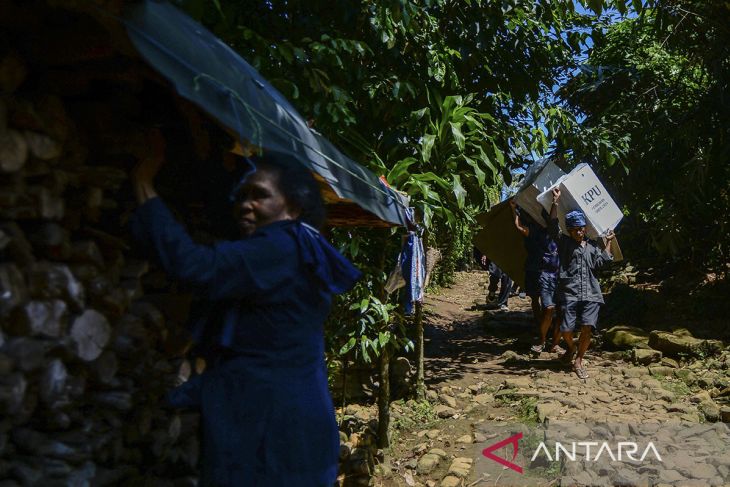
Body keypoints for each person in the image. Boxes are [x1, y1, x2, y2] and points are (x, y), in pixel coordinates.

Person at [130, 131, 361, 486]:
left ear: (293, 207)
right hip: (297, 419)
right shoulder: (304, 247)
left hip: (270, 427)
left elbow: (195, 267)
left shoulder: (278, 247)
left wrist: (144, 184)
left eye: (260, 195)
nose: (245, 204)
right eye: (241, 196)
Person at [548, 188, 614, 380]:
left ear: (585, 228)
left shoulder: (593, 246)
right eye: (575, 229)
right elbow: (552, 226)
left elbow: (602, 262)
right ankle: (572, 346)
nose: (578, 232)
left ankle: (579, 359)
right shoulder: (564, 243)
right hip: (570, 292)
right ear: (569, 230)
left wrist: (608, 242)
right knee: (566, 330)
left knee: (587, 327)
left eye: (581, 228)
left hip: (592, 293)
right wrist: (555, 202)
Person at [509, 200, 564, 355]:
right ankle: (541, 331)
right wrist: (514, 210)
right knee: (538, 301)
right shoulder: (534, 230)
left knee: (554, 307)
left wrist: (555, 201)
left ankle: (548, 337)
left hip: (554, 273)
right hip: (537, 271)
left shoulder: (557, 232)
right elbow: (519, 227)